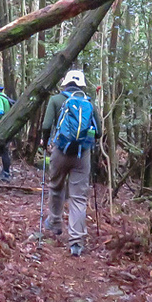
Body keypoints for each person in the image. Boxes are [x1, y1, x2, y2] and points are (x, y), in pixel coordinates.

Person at [41, 69, 100, 257]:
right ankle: (76, 242)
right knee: (79, 198)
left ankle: (55, 222)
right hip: (82, 155)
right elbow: (98, 132)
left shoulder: (56, 100)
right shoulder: (88, 102)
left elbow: (45, 125)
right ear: (81, 84)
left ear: (65, 82)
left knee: (56, 186)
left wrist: (45, 143)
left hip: (60, 151)